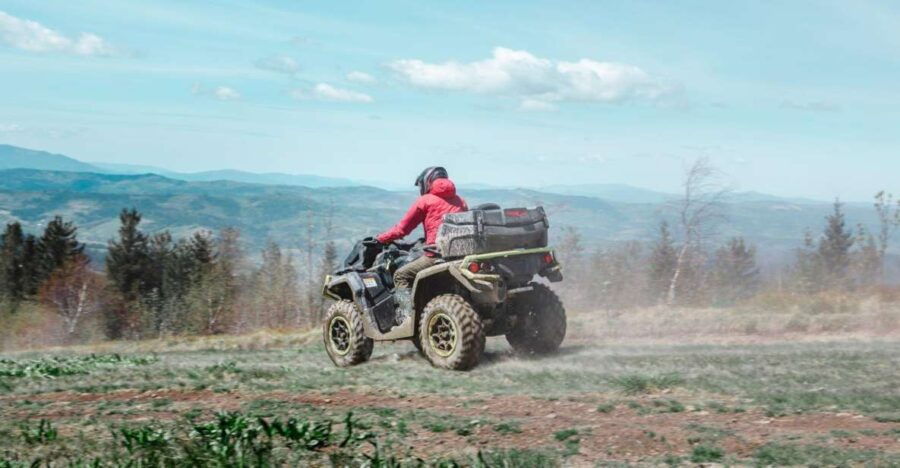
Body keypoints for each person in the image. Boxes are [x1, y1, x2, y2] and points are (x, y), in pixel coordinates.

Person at [376, 166, 467, 321]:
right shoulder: (461, 201)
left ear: (427, 182)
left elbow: (402, 230)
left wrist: (380, 239)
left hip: (436, 255)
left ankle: (404, 317)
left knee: (401, 275)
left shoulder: (425, 201)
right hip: (461, 255)